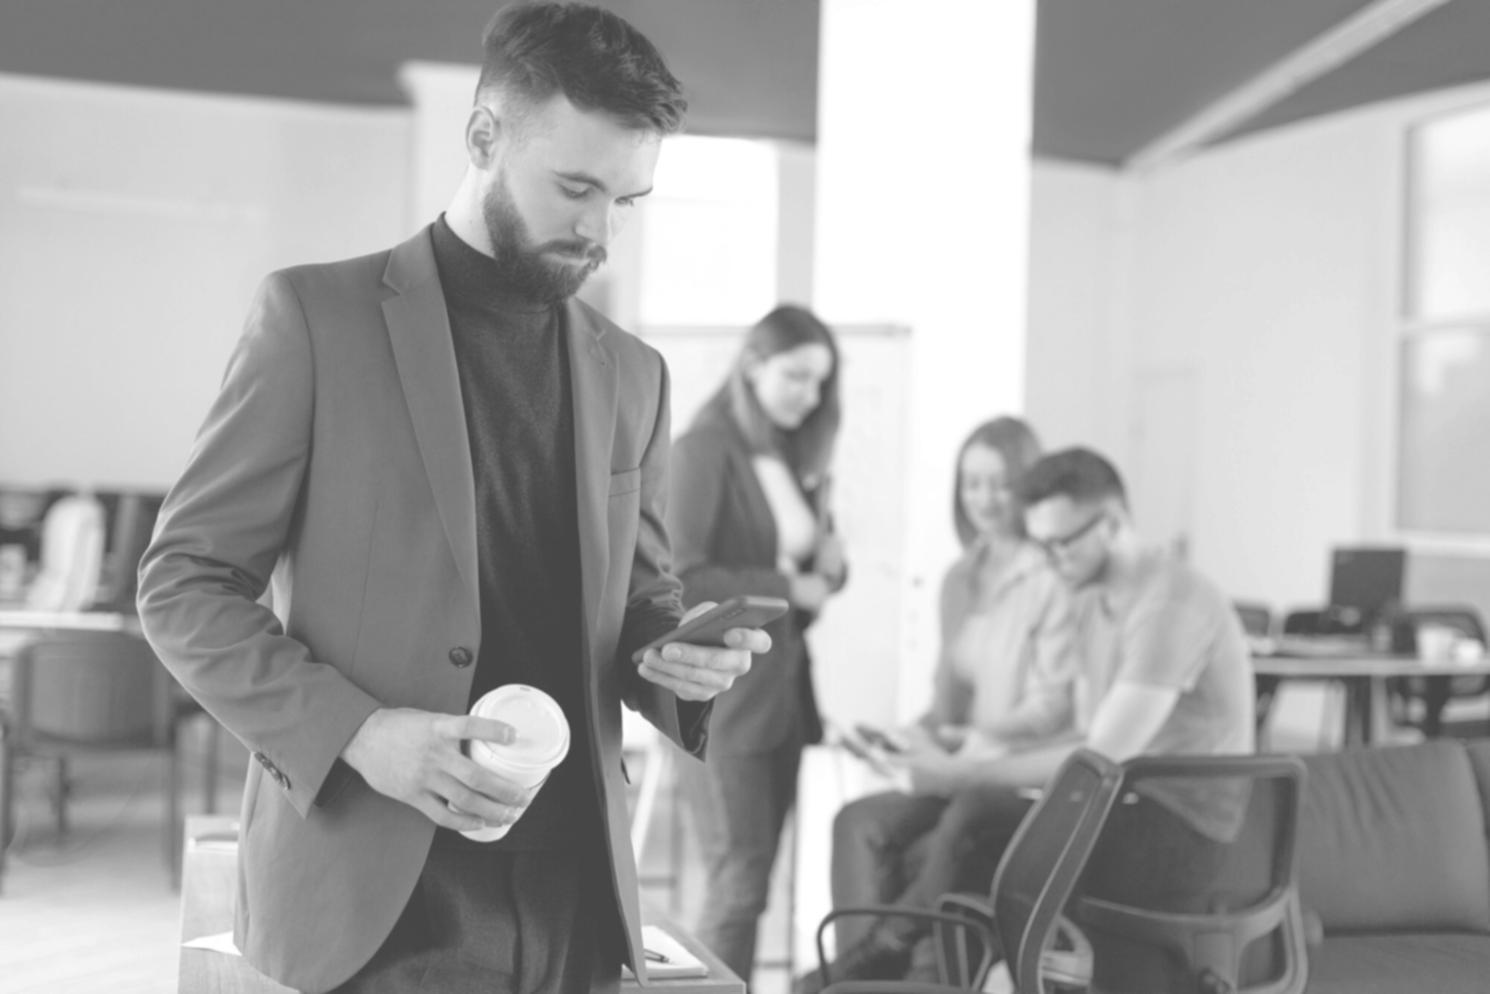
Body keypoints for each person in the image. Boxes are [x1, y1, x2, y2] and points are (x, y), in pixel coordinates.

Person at [135, 5, 773, 993]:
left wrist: (672, 652)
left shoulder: (634, 375)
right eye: (574, 188)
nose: (599, 231)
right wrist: (359, 733)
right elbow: (184, 585)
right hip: (375, 888)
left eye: (626, 201)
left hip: (574, 892)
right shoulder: (313, 318)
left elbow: (639, 593)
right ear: (482, 136)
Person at [799, 446, 1255, 987]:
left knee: (978, 814)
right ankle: (887, 964)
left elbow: (1101, 756)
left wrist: (962, 773)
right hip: (1123, 804)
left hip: (1179, 829)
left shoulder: (1169, 603)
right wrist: (965, 747)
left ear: (1112, 525)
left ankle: (884, 955)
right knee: (916, 818)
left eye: (1062, 543)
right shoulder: (1100, 598)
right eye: (1042, 545)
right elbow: (1088, 733)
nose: (1052, 559)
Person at [825, 417, 1074, 952]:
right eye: (971, 483)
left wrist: (976, 739)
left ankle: (867, 969)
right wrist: (902, 738)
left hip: (1015, 776)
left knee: (938, 842)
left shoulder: (1056, 576)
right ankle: (857, 981)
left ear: (1028, 485)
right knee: (858, 823)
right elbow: (945, 706)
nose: (984, 498)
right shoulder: (958, 579)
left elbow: (1053, 707)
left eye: (999, 482)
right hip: (960, 770)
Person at [666, 304, 847, 981]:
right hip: (725, 700)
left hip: (785, 700)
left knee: (754, 881)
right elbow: (683, 578)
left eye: (821, 383)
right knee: (738, 880)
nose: (810, 395)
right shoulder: (704, 451)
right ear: (752, 366)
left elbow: (807, 573)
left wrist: (831, 567)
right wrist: (787, 587)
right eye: (796, 376)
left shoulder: (793, 455)